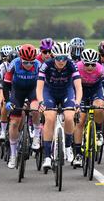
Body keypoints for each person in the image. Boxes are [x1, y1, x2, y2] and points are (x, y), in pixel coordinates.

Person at [37, 41, 82, 171]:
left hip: (66, 92)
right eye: (58, 58)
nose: (61, 61)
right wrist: (40, 102)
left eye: (64, 58)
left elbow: (78, 87)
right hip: (49, 92)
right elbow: (39, 87)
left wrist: (77, 103)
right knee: (50, 118)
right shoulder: (46, 65)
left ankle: (68, 147)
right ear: (53, 56)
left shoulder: (72, 65)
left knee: (69, 116)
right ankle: (47, 157)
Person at [4, 44, 42, 169]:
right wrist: (8, 101)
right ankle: (13, 155)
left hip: (33, 91)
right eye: (25, 62)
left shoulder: (38, 65)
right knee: (14, 122)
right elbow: (6, 84)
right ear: (20, 59)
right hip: (17, 92)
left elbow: (43, 84)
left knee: (35, 109)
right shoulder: (14, 64)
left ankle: (36, 135)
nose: (29, 65)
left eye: (31, 62)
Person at [73, 48, 104, 167]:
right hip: (81, 91)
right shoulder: (76, 67)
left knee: (99, 107)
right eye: (87, 64)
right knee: (80, 121)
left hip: (95, 91)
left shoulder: (100, 69)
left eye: (92, 64)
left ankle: (98, 131)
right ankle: (78, 154)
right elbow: (71, 85)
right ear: (82, 62)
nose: (89, 67)